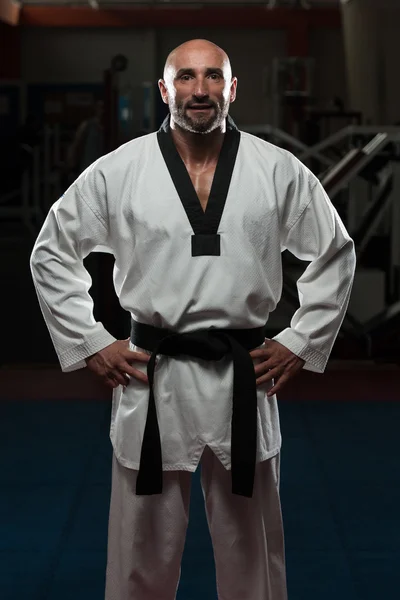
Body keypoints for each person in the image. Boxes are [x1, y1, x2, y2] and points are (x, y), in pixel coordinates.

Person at [30, 39, 356, 600]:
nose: (199, 90)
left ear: (232, 88)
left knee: (251, 550)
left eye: (212, 77)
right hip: (152, 376)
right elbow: (52, 251)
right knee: (140, 552)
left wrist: (301, 339)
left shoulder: (277, 171)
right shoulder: (119, 172)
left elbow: (335, 252)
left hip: (243, 377)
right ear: (164, 89)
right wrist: (90, 341)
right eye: (185, 77)